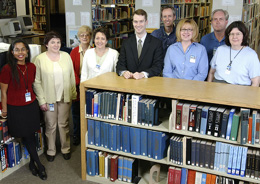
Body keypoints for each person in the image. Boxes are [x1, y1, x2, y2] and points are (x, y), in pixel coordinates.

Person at [0, 39, 47, 180]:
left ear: (27, 51)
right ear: (12, 52)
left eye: (23, 49)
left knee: (31, 134)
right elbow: (3, 92)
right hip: (16, 109)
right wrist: (4, 111)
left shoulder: (31, 66)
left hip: (31, 106)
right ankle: (40, 165)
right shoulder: (7, 69)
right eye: (17, 50)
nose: (20, 52)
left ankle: (32, 164)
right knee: (27, 135)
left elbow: (32, 85)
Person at [33, 31, 77, 162]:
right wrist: (41, 100)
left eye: (58, 42)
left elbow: (71, 77)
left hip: (65, 97)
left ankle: (65, 148)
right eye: (52, 42)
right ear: (46, 44)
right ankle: (51, 150)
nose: (56, 45)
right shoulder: (39, 59)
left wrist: (73, 94)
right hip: (48, 99)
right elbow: (36, 81)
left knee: (64, 124)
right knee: (50, 125)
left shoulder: (66, 56)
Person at [207, 21, 260, 86]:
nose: (234, 37)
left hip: (240, 90)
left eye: (238, 34)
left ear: (244, 35)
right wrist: (208, 89)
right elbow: (211, 72)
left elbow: (255, 82)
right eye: (232, 34)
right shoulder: (220, 50)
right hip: (218, 87)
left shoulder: (251, 55)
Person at [116, 9, 164, 80]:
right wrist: (124, 72)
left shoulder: (156, 43)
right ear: (132, 23)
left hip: (149, 84)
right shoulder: (126, 43)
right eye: (135, 21)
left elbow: (158, 66)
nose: (138, 25)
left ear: (146, 22)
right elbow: (120, 65)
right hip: (129, 83)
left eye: (141, 21)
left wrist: (143, 74)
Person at [70, 25, 92, 146]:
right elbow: (71, 70)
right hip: (77, 87)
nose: (84, 37)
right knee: (76, 113)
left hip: (90, 85)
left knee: (89, 112)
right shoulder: (74, 52)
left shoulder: (94, 50)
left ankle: (89, 134)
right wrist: (79, 83)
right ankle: (77, 134)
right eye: (82, 35)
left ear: (90, 37)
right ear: (79, 37)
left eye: (87, 35)